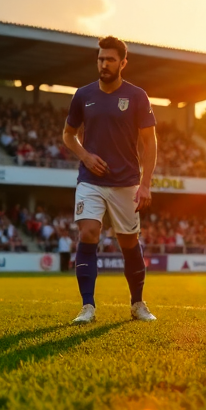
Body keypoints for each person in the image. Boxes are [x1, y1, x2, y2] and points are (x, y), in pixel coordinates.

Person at [63, 36, 158, 324]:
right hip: (90, 180)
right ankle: (87, 306)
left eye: (110, 60)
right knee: (89, 233)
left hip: (126, 182)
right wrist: (85, 156)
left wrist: (145, 184)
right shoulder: (83, 95)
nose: (104, 64)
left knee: (129, 243)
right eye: (100, 59)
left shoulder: (138, 96)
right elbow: (68, 135)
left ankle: (137, 303)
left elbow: (149, 142)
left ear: (123, 63)